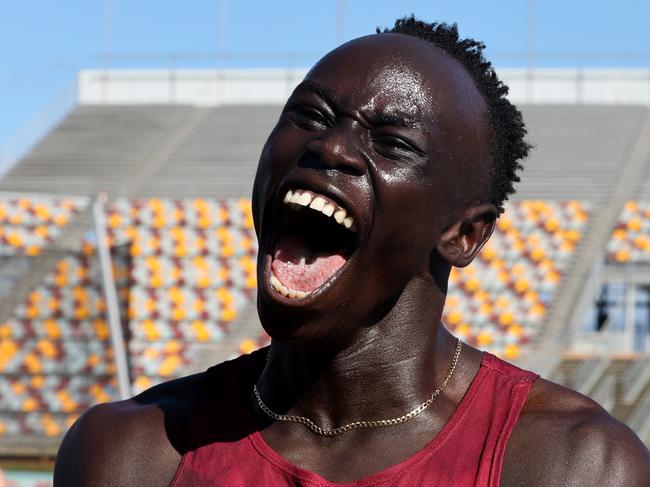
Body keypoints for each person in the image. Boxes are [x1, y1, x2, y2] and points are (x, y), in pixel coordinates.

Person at [54, 16, 650, 486]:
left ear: (464, 235)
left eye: (391, 142)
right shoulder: (133, 455)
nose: (330, 147)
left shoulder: (570, 465)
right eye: (310, 115)